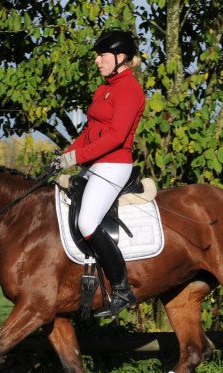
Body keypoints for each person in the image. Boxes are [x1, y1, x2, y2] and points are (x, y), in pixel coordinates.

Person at [55, 30, 146, 317]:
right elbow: (90, 131)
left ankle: (122, 288)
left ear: (120, 58)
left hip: (114, 165)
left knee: (87, 222)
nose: (97, 60)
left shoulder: (129, 90)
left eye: (102, 55)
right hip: (94, 164)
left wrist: (77, 157)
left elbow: (116, 136)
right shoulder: (105, 88)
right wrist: (66, 156)